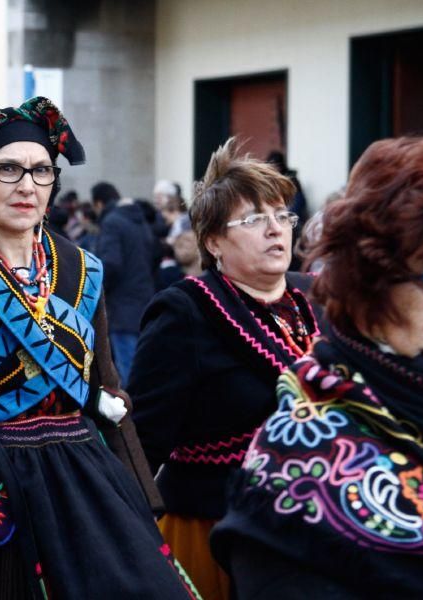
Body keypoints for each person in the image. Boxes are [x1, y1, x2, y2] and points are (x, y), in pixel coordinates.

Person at [0, 96, 198, 600]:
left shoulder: (81, 272)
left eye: (42, 171)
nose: (27, 185)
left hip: (83, 486)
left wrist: (140, 509)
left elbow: (107, 398)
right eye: (8, 169)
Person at [212, 127, 423, 598]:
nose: (276, 229)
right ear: (372, 288)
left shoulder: (303, 298)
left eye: (281, 216)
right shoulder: (294, 491)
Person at [127, 138, 325, 600]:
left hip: (310, 527)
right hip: (215, 531)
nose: (276, 230)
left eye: (283, 216)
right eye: (255, 220)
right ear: (214, 241)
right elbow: (142, 440)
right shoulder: (184, 313)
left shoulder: (314, 299)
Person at [93, 182, 158, 387]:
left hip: (122, 308)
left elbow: (111, 264)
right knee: (144, 370)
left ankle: (132, 418)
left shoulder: (112, 222)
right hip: (145, 303)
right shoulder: (139, 221)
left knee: (128, 374)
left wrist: (97, 292)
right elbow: (154, 256)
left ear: (99, 204)